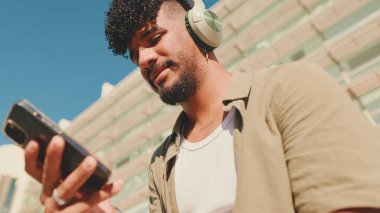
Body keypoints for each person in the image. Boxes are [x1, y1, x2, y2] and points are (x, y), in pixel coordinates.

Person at [24, 0, 380, 212]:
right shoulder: (161, 164)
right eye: (135, 56)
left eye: (153, 38)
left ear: (200, 27)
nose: (145, 59)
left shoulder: (290, 88)